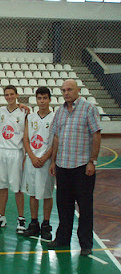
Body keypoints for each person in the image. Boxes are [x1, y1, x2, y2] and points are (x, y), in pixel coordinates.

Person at [48, 79, 101, 256]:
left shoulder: (88, 109)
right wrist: (53, 161)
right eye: (63, 90)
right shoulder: (60, 112)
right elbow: (56, 137)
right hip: (63, 166)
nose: (66, 93)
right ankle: (62, 238)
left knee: (85, 207)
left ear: (78, 90)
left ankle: (85, 243)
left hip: (82, 167)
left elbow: (96, 135)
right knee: (63, 206)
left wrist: (92, 160)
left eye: (69, 89)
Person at [0, 85, 27, 234]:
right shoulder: (0, 112)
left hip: (15, 152)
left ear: (17, 95)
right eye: (7, 95)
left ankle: (21, 218)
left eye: (12, 94)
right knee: (2, 186)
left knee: (17, 188)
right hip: (1, 152)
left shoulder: (24, 112)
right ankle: (1, 216)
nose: (9, 97)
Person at [21, 87, 55, 240]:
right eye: (39, 98)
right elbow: (26, 139)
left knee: (47, 194)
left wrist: (46, 157)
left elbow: (55, 141)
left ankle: (46, 225)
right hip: (32, 160)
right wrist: (32, 156)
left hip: (46, 162)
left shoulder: (54, 117)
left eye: (45, 98)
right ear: (36, 99)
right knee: (32, 193)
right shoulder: (31, 118)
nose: (42, 101)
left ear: (49, 99)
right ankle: (34, 223)